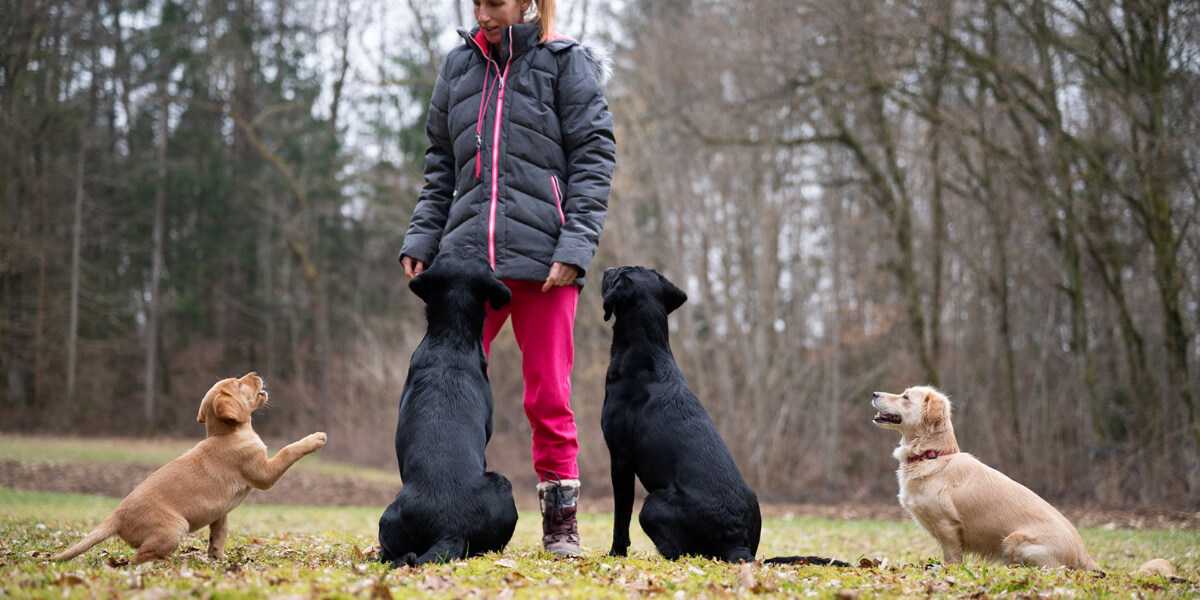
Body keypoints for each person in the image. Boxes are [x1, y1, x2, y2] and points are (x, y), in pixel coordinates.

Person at [398, 0, 614, 557]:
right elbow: (440, 165)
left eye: (494, 2)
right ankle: (444, 510)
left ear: (528, 2)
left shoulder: (566, 64)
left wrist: (575, 246)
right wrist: (423, 238)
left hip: (547, 264)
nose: (483, 13)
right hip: (467, 264)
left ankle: (560, 526)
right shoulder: (458, 67)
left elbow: (593, 158)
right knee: (443, 390)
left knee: (549, 395)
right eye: (476, 2)